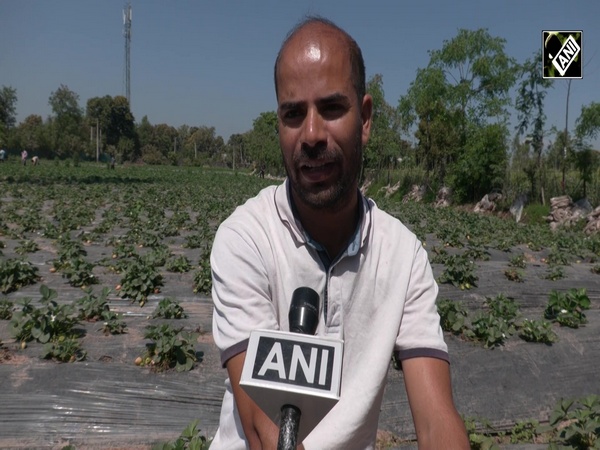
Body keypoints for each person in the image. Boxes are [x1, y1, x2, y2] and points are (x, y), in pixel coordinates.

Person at [210, 16, 469, 450]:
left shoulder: (403, 257)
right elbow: (262, 427)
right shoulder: (246, 240)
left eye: (331, 108)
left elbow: (436, 419)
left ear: (365, 119)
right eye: (293, 114)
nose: (311, 135)